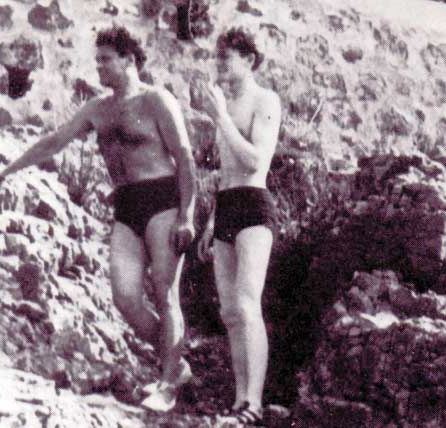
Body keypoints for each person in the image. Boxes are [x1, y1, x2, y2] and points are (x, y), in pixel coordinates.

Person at [0, 26, 196, 412]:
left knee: (165, 292)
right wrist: (6, 171)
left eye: (106, 60)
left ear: (129, 60)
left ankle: (167, 383)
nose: (99, 67)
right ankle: (176, 365)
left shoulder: (156, 100)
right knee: (125, 299)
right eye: (97, 61)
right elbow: (54, 141)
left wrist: (188, 215)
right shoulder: (98, 108)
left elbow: (185, 157)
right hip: (126, 205)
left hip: (162, 199)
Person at [197, 28, 281, 426]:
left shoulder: (265, 100)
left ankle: (255, 403)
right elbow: (226, 172)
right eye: (217, 57)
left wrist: (220, 118)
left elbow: (254, 161)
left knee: (248, 305)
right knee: (230, 311)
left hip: (254, 206)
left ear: (249, 60)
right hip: (227, 207)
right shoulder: (227, 103)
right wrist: (212, 222)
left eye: (226, 57)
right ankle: (238, 401)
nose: (219, 64)